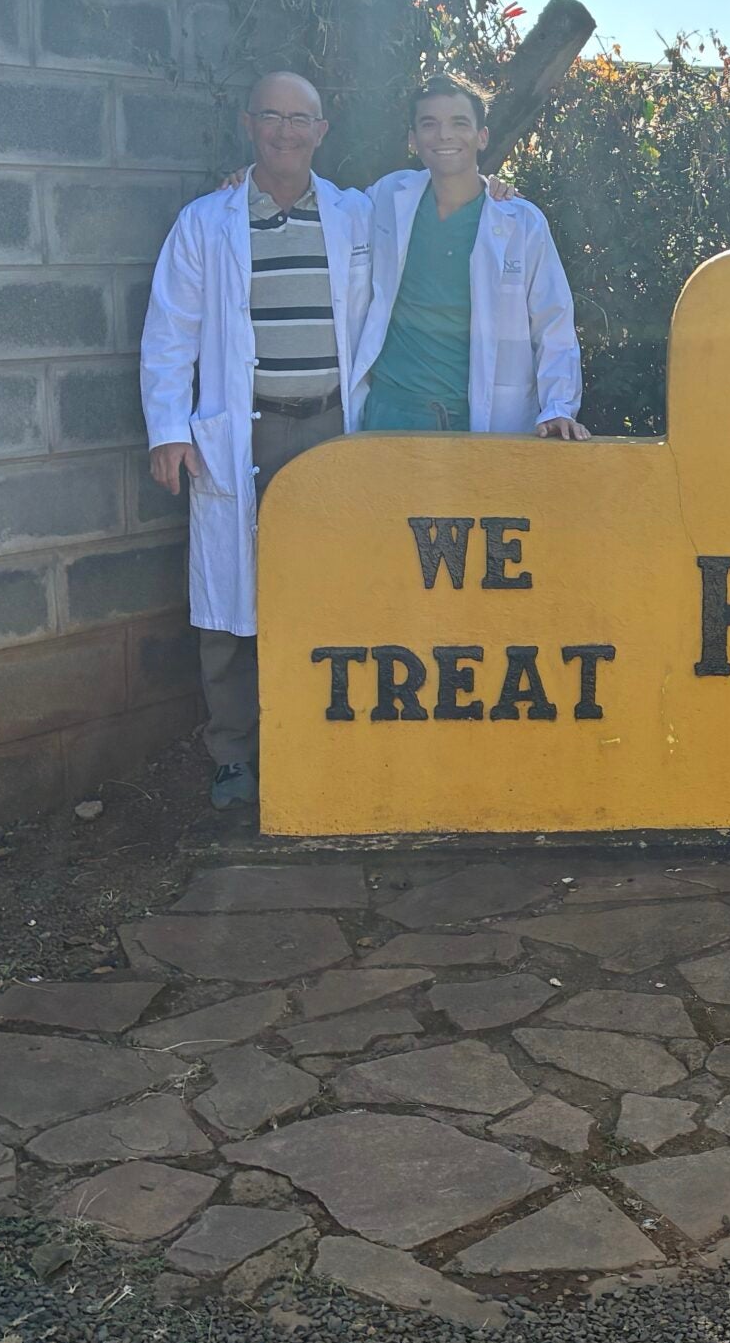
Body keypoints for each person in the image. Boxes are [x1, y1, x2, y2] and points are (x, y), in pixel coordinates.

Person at [140, 71, 374, 810]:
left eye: (300, 118)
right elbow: (171, 332)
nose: (285, 131)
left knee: (334, 587)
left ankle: (324, 742)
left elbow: (433, 206)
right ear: (249, 124)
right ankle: (234, 755)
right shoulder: (206, 222)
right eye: (271, 117)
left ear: (322, 130)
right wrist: (169, 431)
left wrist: (492, 189)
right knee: (232, 597)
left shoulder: (357, 215)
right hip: (246, 429)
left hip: (337, 429)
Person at [348, 72, 591, 440]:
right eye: (429, 124)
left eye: (459, 123)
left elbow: (553, 323)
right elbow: (328, 210)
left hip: (475, 419)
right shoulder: (385, 198)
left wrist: (558, 406)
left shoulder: (521, 223)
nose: (444, 135)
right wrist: (248, 185)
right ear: (413, 140)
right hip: (389, 414)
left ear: (482, 136)